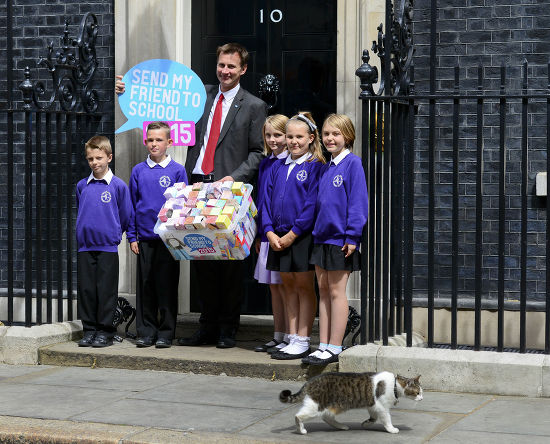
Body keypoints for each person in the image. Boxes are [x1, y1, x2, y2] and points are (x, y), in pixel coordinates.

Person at [178, 42, 267, 349]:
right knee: (201, 257)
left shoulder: (254, 105)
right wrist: (126, 90)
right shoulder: (198, 95)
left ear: (242, 70)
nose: (225, 71)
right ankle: (207, 326)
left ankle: (228, 328)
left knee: (229, 264)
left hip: (228, 191)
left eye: (231, 66)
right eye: (221, 65)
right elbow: (159, 105)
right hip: (197, 188)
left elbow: (259, 152)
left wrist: (236, 177)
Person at [304, 114, 368, 365]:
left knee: (336, 291)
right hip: (321, 237)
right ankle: (323, 344)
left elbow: (358, 202)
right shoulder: (326, 166)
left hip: (340, 239)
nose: (330, 138)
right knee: (322, 291)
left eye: (336, 134)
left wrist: (352, 235)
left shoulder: (353, 164)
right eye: (327, 133)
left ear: (348, 136)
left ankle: (335, 346)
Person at [263, 112, 325, 360]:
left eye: (299, 137)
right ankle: (290, 336)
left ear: (311, 138)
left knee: (303, 286)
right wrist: (268, 230)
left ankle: (302, 339)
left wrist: (292, 234)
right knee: (287, 285)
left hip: (299, 238)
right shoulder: (278, 166)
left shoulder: (315, 167)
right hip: (275, 237)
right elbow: (265, 201)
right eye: (289, 136)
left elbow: (311, 205)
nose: (293, 142)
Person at [126, 121, 188, 348]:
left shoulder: (177, 170)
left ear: (169, 142)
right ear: (145, 142)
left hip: (169, 240)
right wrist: (132, 236)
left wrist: (180, 236)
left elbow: (184, 206)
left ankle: (166, 333)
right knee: (146, 286)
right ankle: (146, 331)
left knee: (167, 286)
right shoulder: (138, 171)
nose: (154, 144)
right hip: (145, 238)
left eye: (159, 140)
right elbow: (132, 206)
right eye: (150, 140)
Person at [76, 136, 133, 348]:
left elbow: (125, 215)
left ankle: (106, 332)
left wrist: (115, 234)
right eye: (90, 159)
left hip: (107, 247)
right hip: (85, 247)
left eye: (99, 158)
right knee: (87, 291)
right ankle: (89, 330)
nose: (94, 162)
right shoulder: (82, 186)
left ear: (109, 157)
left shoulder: (118, 186)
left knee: (106, 291)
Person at [253, 114, 290, 353]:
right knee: (274, 287)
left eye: (278, 134)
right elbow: (262, 200)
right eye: (268, 135)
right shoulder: (265, 163)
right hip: (267, 233)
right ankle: (278, 334)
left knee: (288, 286)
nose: (273, 139)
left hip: (283, 234)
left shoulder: (291, 163)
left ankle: (290, 335)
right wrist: (260, 232)